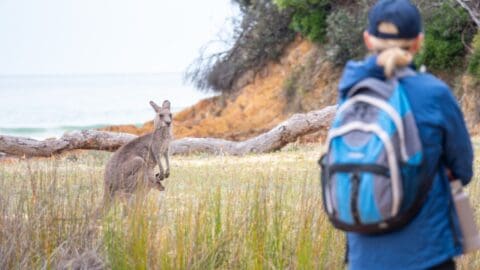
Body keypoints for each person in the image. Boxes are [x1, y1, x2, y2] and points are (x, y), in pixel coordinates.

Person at [337, 0, 474, 269]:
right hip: (427, 253)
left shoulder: (351, 90)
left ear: (368, 39)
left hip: (363, 256)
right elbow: (463, 169)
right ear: (418, 42)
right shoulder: (434, 94)